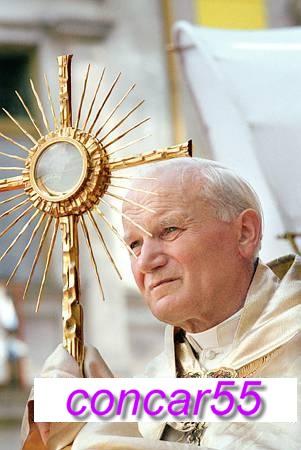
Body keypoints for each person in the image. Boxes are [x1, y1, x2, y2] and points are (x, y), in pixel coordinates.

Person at [21, 157, 301, 450]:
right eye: (134, 245)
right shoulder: (161, 376)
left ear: (244, 232)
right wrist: (71, 407)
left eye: (169, 230)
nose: (145, 262)